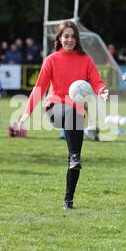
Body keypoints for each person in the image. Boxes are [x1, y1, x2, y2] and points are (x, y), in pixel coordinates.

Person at [18, 21, 109, 210]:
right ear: (59, 38)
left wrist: (102, 91)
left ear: (77, 39)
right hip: (55, 107)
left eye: (73, 36)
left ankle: (69, 199)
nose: (69, 39)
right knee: (71, 117)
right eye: (66, 36)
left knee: (74, 160)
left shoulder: (86, 60)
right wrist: (27, 113)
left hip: (76, 114)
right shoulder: (51, 59)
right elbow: (40, 88)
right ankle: (74, 155)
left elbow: (96, 80)